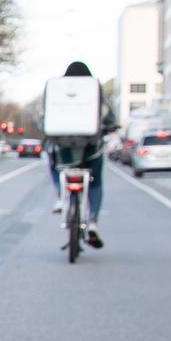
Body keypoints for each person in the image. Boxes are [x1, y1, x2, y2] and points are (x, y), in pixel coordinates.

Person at [45, 61, 115, 248]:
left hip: (62, 150)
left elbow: (43, 118)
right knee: (96, 182)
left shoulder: (57, 91)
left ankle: (60, 196)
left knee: (52, 162)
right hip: (90, 150)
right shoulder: (94, 91)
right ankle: (92, 221)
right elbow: (109, 116)